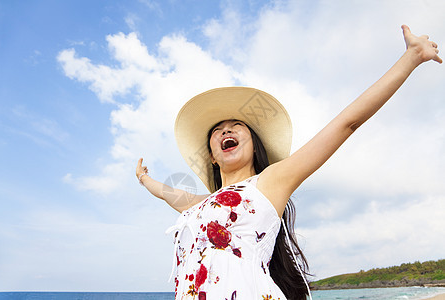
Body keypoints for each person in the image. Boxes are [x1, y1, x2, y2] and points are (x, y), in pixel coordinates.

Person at [136, 25, 441, 300]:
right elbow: (168, 193)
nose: (225, 130)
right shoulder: (199, 206)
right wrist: (145, 179)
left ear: (254, 145)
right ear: (213, 158)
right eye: (217, 131)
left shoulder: (269, 183)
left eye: (236, 126)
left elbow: (346, 123)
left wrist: (411, 58)